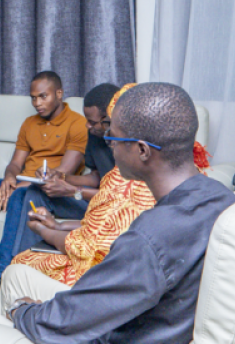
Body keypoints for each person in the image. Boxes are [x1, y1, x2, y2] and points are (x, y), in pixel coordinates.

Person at [0, 82, 235, 343]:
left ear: (142, 150)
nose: (108, 145)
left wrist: (21, 311)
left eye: (113, 138)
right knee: (16, 275)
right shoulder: (221, 199)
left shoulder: (149, 238)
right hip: (153, 322)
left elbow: (63, 322)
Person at [0, 71, 88, 306]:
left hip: (52, 191)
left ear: (59, 94)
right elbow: (16, 163)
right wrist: (8, 179)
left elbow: (62, 173)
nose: (37, 103)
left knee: (21, 195)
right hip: (25, 183)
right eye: (33, 98)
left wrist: (22, 184)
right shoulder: (29, 123)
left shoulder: (77, 123)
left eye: (43, 97)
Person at [10, 83, 156, 287]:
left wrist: (73, 192)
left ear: (109, 120)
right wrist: (61, 177)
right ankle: (6, 269)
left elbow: (116, 201)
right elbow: (96, 177)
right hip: (99, 204)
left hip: (107, 210)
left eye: (93, 122)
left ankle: (15, 272)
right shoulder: (96, 136)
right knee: (33, 192)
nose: (87, 126)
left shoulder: (129, 150)